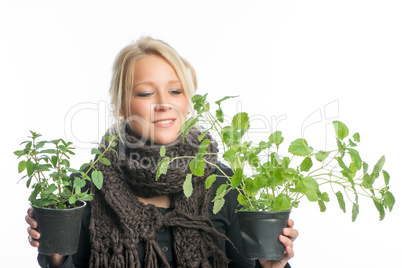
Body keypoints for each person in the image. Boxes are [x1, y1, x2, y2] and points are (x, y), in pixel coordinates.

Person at [25, 36, 298, 268]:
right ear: (122, 106)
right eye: (146, 94)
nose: (164, 103)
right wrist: (55, 254)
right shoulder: (84, 187)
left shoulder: (223, 184)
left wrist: (272, 266)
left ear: (188, 102)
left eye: (175, 91)